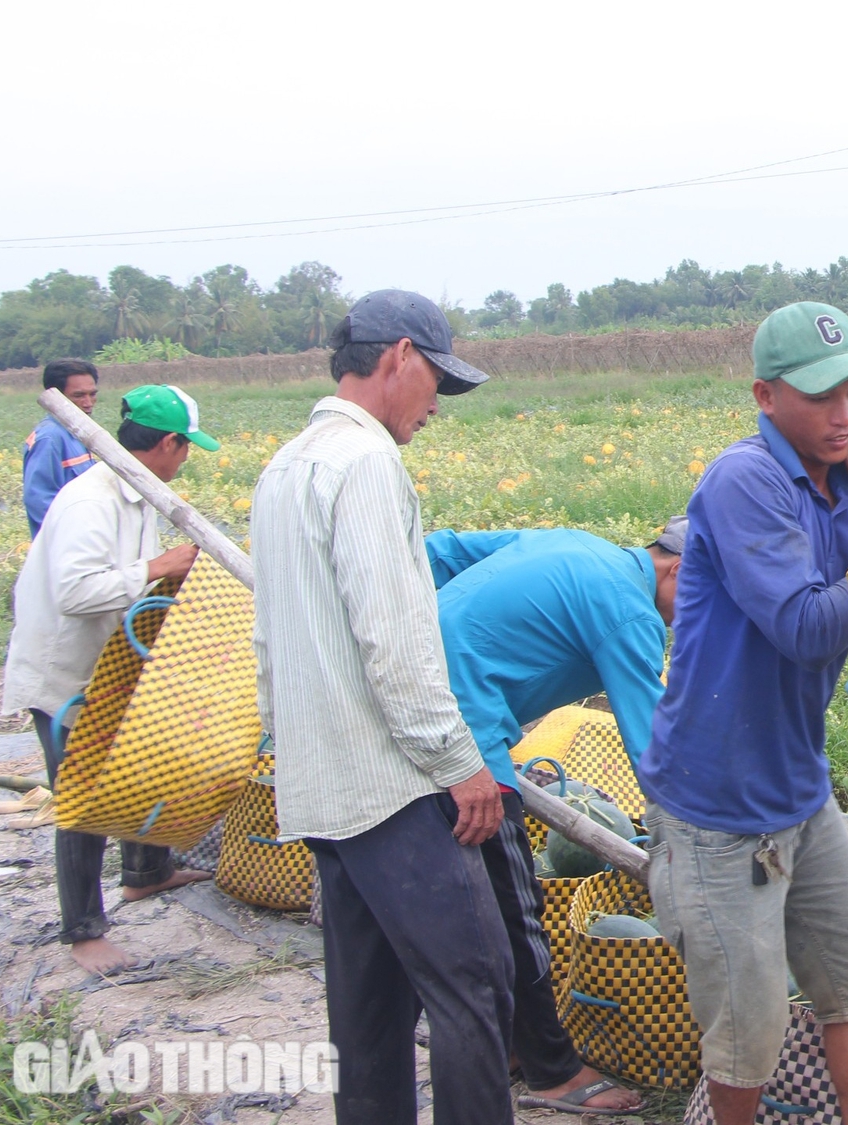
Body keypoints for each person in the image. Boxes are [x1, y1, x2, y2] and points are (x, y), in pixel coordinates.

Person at [639, 302, 848, 1125]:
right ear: (765, 396)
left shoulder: (841, 488)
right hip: (718, 805)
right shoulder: (745, 481)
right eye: (823, 395)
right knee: (745, 1029)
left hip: (798, 787)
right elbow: (803, 623)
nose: (846, 414)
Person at [251, 290, 513, 1125]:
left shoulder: (287, 464)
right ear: (399, 355)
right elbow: (394, 643)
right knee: (475, 984)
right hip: (389, 785)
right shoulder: (365, 465)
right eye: (436, 379)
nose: (436, 404)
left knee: (366, 1003)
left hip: (323, 785)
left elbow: (271, 642)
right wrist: (458, 763)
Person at [425, 519, 686, 1116]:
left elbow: (437, 551)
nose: (685, 620)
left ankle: (512, 1041)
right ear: (677, 570)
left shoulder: (573, 544)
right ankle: (551, 1070)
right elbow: (654, 751)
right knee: (513, 906)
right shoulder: (629, 614)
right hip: (462, 730)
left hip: (412, 690)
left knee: (478, 897)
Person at [2, 385, 216, 973]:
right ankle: (83, 931)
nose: (186, 459)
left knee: (139, 762)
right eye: (186, 448)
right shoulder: (89, 502)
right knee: (82, 796)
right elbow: (76, 591)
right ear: (167, 443)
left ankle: (148, 873)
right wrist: (159, 567)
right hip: (63, 672)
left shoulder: (135, 494)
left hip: (104, 665)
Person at [23, 358, 101, 536]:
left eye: (92, 394)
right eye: (79, 395)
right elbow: (38, 501)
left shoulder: (78, 432)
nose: (88, 402)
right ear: (55, 397)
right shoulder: (49, 438)